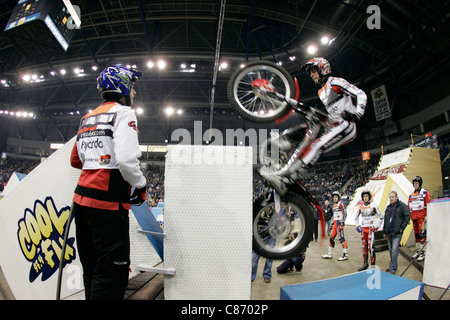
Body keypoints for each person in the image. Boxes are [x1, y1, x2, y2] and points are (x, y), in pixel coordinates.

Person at [70, 65, 147, 300]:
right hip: (107, 204)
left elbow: (75, 160)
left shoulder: (87, 117)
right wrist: (141, 184)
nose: (133, 93)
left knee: (92, 269)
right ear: (122, 86)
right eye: (132, 87)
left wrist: (97, 161)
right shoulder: (124, 113)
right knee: (113, 273)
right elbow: (125, 160)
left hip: (81, 201)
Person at [298, 57, 367, 167]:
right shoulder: (320, 92)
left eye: (314, 71)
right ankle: (298, 170)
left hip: (347, 124)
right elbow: (333, 112)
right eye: (310, 73)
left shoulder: (335, 82)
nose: (312, 75)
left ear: (322, 69)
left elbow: (361, 94)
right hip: (337, 125)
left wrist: (357, 114)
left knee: (317, 146)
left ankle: (295, 172)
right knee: (315, 146)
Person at [355, 190, 384, 271]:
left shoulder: (374, 206)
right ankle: (365, 264)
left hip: (371, 229)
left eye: (366, 196)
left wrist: (377, 226)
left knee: (371, 248)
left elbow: (381, 216)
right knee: (364, 247)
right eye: (364, 197)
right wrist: (357, 226)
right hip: (363, 230)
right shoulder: (360, 207)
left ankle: (373, 265)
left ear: (369, 197)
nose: (365, 198)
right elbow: (356, 217)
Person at [383, 191, 411, 274]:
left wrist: (402, 227)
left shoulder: (401, 206)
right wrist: (385, 231)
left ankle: (393, 268)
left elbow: (407, 216)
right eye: (390, 197)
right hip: (390, 232)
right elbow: (386, 220)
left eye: (392, 197)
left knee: (394, 250)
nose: (391, 199)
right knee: (391, 251)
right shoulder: (388, 208)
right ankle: (393, 265)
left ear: (396, 197)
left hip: (397, 232)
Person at [408, 176, 431, 262]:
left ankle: (423, 252)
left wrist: (426, 216)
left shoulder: (425, 192)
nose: (415, 185)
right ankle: (418, 251)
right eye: (414, 184)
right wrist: (410, 216)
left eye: (417, 184)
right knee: (416, 235)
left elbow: (428, 204)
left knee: (422, 235)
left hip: (421, 217)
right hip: (414, 217)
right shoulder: (411, 195)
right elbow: (409, 205)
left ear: (420, 184)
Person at [322, 191, 348, 261]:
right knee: (331, 238)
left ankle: (345, 254)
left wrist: (342, 222)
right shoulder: (333, 205)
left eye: (336, 197)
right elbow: (336, 216)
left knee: (341, 239)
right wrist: (332, 224)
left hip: (339, 223)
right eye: (334, 197)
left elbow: (345, 213)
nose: (335, 198)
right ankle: (329, 254)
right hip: (335, 223)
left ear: (338, 197)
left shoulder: (341, 203)